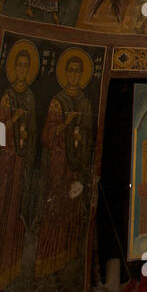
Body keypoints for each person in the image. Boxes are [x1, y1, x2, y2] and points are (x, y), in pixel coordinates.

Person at [0, 44, 37, 292]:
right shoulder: (7, 98)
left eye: (27, 65)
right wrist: (13, 120)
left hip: (20, 167)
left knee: (15, 213)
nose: (23, 70)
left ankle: (10, 267)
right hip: (4, 166)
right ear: (14, 68)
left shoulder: (30, 98)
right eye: (20, 65)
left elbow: (34, 134)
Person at [33, 51, 96, 277]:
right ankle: (45, 260)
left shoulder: (85, 103)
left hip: (76, 166)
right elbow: (46, 136)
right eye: (70, 71)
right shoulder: (57, 102)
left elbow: (89, 134)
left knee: (73, 210)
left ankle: (67, 260)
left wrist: (80, 136)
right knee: (54, 207)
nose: (73, 75)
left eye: (77, 71)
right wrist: (64, 127)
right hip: (58, 165)